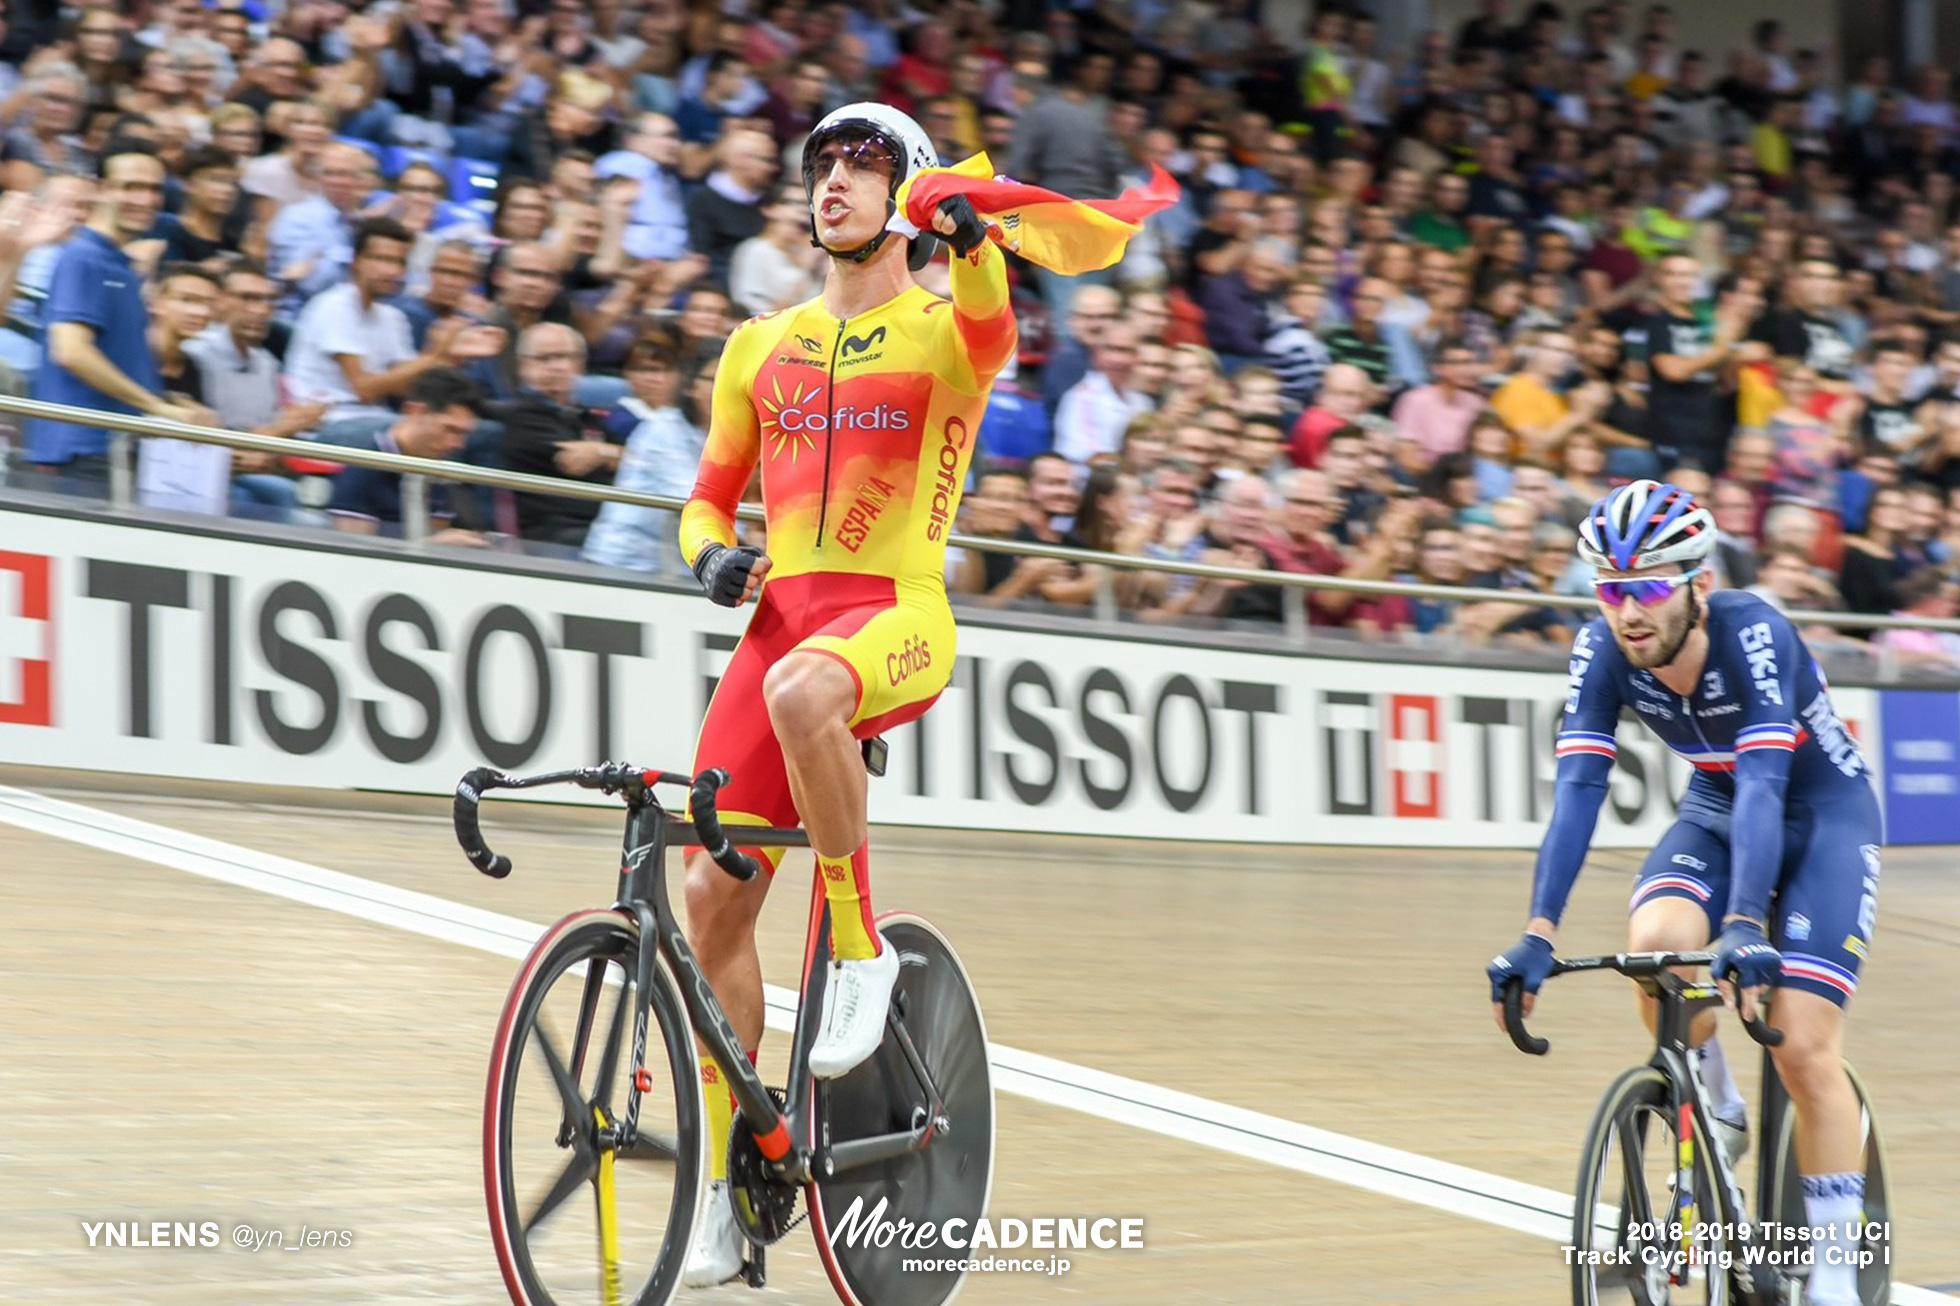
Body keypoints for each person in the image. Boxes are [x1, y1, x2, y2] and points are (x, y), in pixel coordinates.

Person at [674, 102, 1015, 1288]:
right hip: (777, 627)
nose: (833, 183)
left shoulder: (942, 328)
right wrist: (706, 554)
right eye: (822, 163)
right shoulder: (757, 345)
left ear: (907, 198)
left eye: (864, 167)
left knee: (813, 691)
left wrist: (969, 239)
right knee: (704, 901)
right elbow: (706, 499)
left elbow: (992, 320)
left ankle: (860, 950)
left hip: (895, 614)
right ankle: (740, 1164)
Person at [1487, 480, 1883, 1306]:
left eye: (1651, 586)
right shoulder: (1600, 650)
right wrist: (1536, 930)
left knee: (1803, 1045)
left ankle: (1839, 1273)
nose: (1630, 610)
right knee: (1653, 946)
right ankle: (1716, 1104)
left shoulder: (1754, 632)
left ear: (1698, 585)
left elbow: (1769, 783)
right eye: (1611, 589)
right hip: (1716, 803)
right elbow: (1578, 791)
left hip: (1821, 813)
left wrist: (1744, 921)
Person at [25, 141, 203, 494]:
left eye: (154, 189)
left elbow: (114, 358)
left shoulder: (119, 265)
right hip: (83, 454)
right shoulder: (84, 258)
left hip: (110, 450)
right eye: (130, 186)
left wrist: (166, 400)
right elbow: (71, 351)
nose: (145, 199)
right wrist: (157, 408)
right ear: (101, 190)